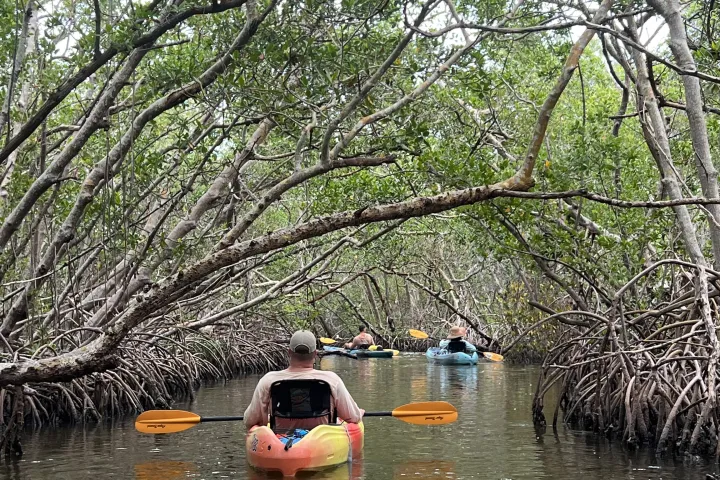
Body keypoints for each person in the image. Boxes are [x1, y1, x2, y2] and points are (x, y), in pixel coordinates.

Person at [244, 330, 364, 431]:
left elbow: (250, 420)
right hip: (323, 441)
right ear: (315, 354)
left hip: (280, 440)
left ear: (289, 352)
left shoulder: (268, 380)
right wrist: (359, 413)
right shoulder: (332, 379)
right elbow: (353, 417)